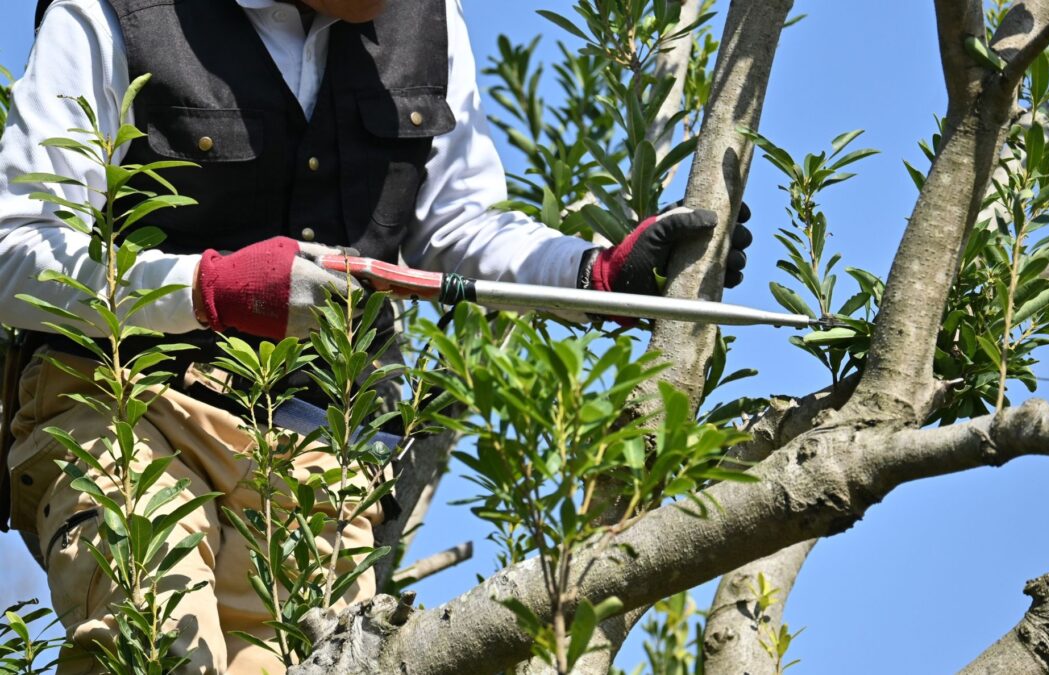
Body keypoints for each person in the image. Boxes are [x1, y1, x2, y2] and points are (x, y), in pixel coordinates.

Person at [0, 0, 752, 672]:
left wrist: (597, 274)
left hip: (319, 461)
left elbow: (457, 225)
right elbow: (14, 251)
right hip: (126, 407)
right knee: (157, 653)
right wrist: (210, 288)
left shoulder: (430, 19)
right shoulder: (112, 11)